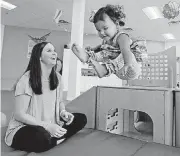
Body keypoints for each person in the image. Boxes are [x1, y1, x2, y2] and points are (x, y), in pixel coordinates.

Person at [5, 42, 87, 153]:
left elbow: (59, 102)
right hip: (26, 127)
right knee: (41, 137)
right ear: (39, 57)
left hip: (51, 124)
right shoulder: (26, 79)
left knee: (81, 118)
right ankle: (55, 139)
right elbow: (19, 115)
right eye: (49, 51)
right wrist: (47, 126)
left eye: (54, 50)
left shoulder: (57, 77)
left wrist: (63, 112)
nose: (54, 53)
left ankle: (53, 138)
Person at [71, 4, 147, 80]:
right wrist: (92, 50)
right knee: (104, 51)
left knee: (123, 54)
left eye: (105, 28)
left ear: (116, 24)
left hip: (131, 68)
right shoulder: (106, 40)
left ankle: (104, 69)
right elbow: (100, 48)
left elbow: (126, 52)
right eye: (99, 30)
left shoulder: (122, 37)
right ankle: (87, 57)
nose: (102, 33)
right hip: (118, 71)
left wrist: (127, 64)